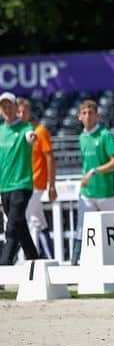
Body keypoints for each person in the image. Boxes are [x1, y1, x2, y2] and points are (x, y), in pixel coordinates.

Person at [71, 99, 114, 265]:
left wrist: (94, 171)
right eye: (84, 113)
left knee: (112, 229)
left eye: (91, 113)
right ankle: (75, 264)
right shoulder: (81, 137)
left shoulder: (105, 135)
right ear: (79, 117)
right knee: (81, 229)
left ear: (97, 115)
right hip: (87, 192)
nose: (87, 116)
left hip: (105, 192)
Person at [0, 92, 39, 265]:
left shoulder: (24, 127)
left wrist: (31, 137)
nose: (7, 109)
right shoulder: (1, 131)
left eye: (10, 106)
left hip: (21, 185)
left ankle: (4, 266)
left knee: (12, 227)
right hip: (5, 186)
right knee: (21, 227)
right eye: (3, 107)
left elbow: (30, 136)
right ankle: (35, 263)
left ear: (16, 108)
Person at [17, 98, 57, 258]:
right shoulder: (15, 133)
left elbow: (50, 158)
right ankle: (50, 258)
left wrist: (51, 184)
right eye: (18, 111)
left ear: (29, 112)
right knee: (38, 221)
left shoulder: (40, 131)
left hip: (35, 183)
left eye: (24, 111)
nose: (21, 114)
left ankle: (10, 262)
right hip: (20, 183)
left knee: (19, 220)